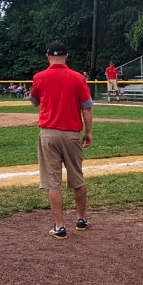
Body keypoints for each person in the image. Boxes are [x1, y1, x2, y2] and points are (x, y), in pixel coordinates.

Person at [30, 40, 94, 238]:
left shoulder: (39, 77)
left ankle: (59, 226)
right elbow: (87, 108)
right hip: (72, 133)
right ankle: (81, 220)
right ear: (66, 56)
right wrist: (88, 132)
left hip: (49, 133)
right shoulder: (77, 78)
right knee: (77, 178)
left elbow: (34, 102)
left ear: (48, 56)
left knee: (52, 181)